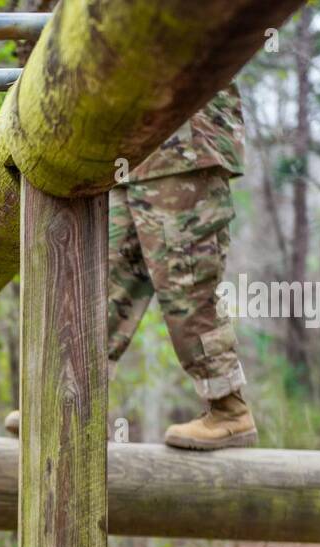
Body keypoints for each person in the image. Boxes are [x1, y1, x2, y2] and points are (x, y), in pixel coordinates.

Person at [107, 83, 257, 449]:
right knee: (101, 283)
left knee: (186, 281)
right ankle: (67, 403)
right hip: (124, 147)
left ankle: (228, 409)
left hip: (182, 141)